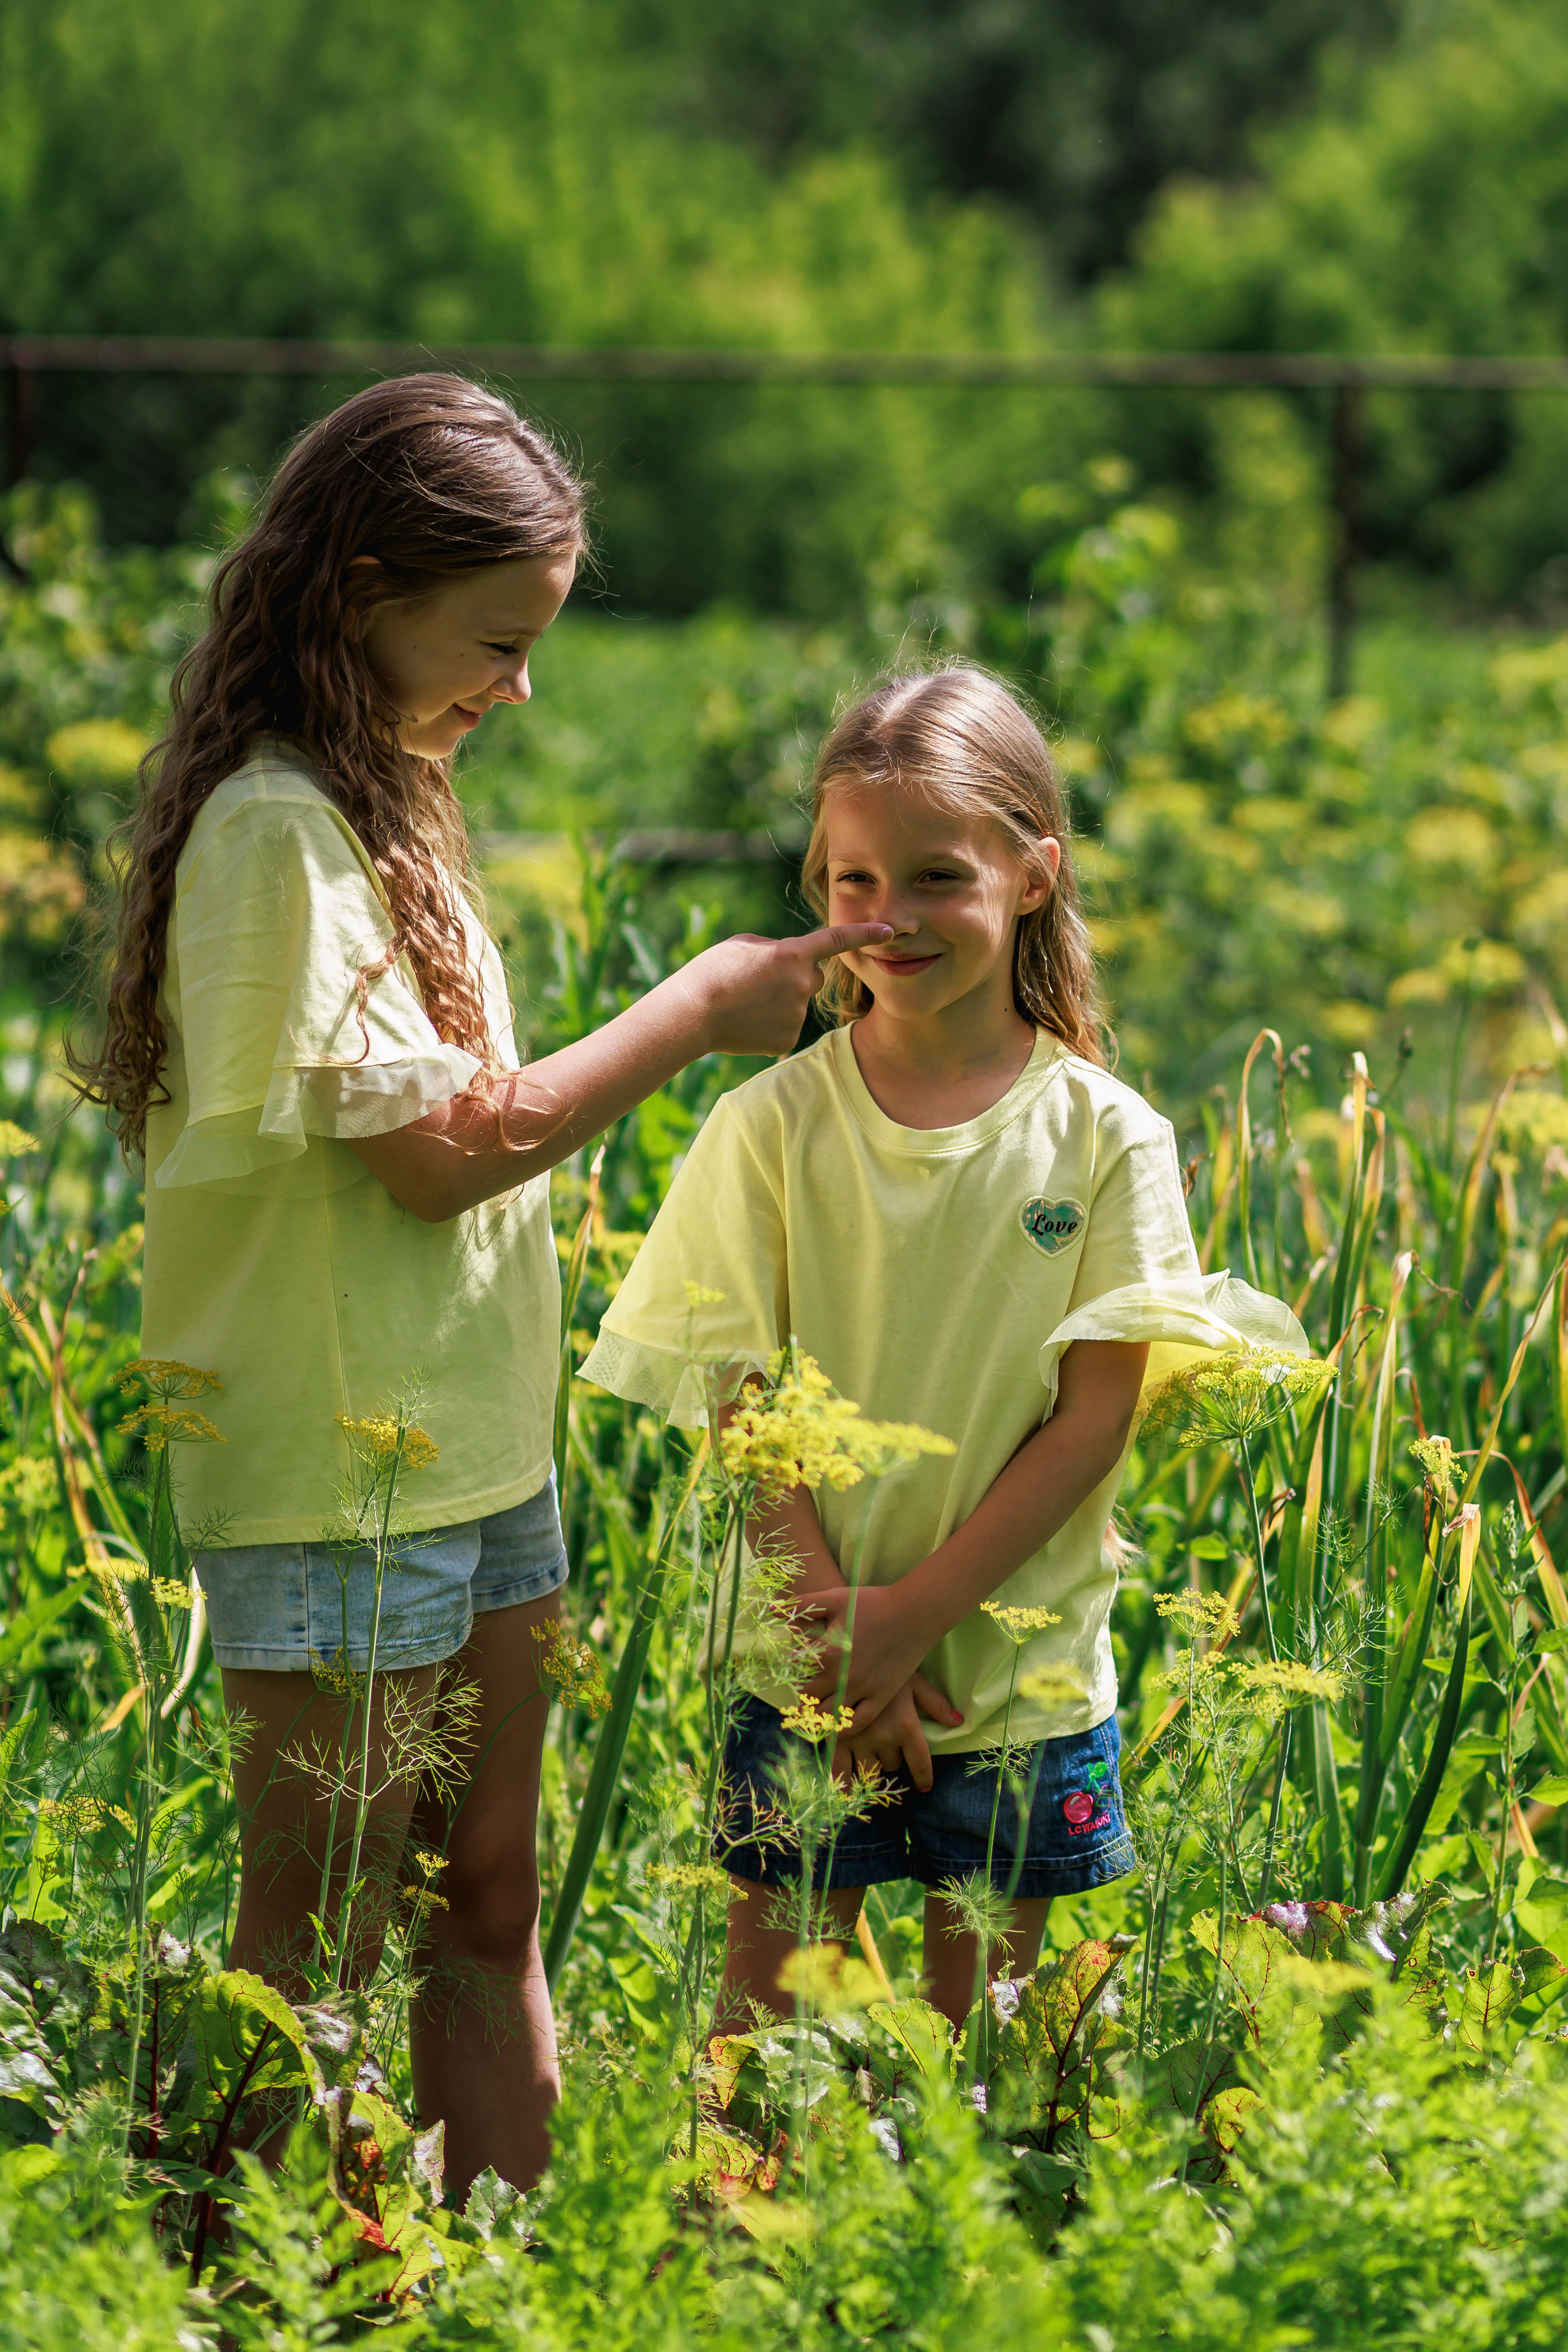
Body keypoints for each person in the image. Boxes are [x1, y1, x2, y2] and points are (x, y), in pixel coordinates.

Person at [72, 373, 893, 2192]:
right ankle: (252, 2284)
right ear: (361, 592)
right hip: (335, 1472)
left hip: (474, 1449)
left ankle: (503, 2274)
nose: (519, 688)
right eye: (496, 641)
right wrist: (696, 1009)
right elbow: (438, 1155)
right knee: (319, 1942)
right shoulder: (276, 830)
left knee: (488, 1893)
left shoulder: (393, 797)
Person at [581, 663, 1303, 2028]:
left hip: (1015, 1679)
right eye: (856, 880)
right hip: (802, 1666)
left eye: (936, 879)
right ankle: (760, 2193)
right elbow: (742, 1408)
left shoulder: (1107, 1137)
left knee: (988, 2054)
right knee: (765, 2034)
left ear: (1032, 876)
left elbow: (1092, 1423)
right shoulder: (768, 1127)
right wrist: (842, 1649)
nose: (891, 917)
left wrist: (909, 1622)